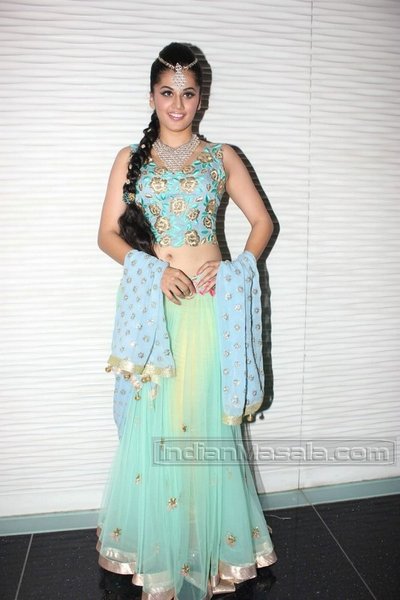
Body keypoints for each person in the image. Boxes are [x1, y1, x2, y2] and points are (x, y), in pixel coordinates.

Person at [96, 42, 278, 600]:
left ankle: (209, 545)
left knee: (204, 427)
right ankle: (158, 544)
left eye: (189, 93)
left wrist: (236, 268)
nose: (177, 104)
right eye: (167, 92)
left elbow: (262, 223)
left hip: (208, 312)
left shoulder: (221, 156)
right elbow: (107, 236)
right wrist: (151, 270)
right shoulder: (130, 158)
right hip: (158, 312)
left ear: (202, 99)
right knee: (156, 425)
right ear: (152, 95)